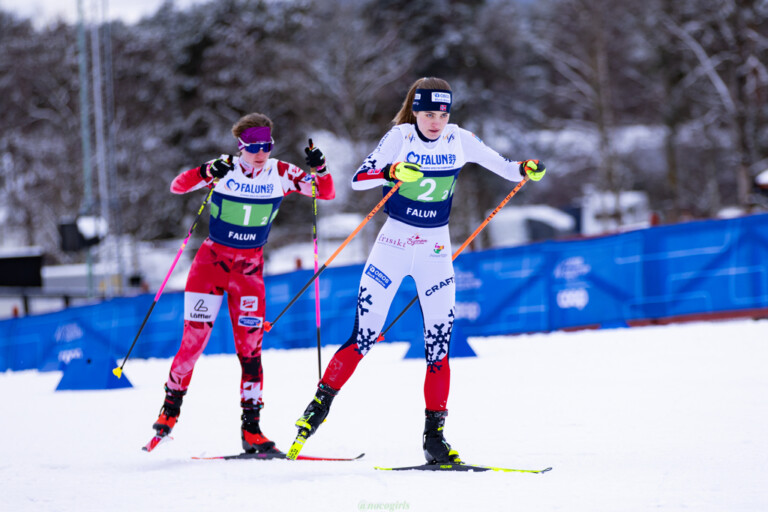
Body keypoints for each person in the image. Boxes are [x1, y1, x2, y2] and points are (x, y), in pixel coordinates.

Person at [288, 77, 546, 463]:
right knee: (364, 337)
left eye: (442, 113)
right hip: (392, 246)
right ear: (416, 111)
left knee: (439, 346)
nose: (436, 121)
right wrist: (390, 172)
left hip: (434, 250)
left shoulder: (459, 139)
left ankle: (435, 439)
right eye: (428, 113)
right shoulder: (401, 136)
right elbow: (359, 179)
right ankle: (317, 408)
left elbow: (507, 168)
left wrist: (526, 167)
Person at [149, 112, 335, 453]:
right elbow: (178, 186)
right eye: (253, 147)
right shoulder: (224, 167)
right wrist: (205, 173)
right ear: (240, 147)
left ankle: (252, 430)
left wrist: (320, 168)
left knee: (250, 351)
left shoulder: (281, 172)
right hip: (210, 265)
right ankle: (169, 410)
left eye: (267, 145)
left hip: (249, 272)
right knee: (194, 341)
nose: (261, 153)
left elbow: (325, 193)